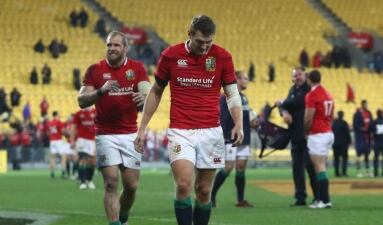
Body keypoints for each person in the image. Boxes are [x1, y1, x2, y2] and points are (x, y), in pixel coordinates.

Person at [134, 15, 244, 225]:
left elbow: (232, 94)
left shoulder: (222, 57)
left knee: (203, 191)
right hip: (180, 131)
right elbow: (156, 92)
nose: (204, 47)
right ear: (190, 34)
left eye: (208, 42)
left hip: (211, 131)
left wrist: (238, 123)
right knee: (184, 185)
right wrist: (143, 128)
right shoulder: (170, 55)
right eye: (200, 42)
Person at [77, 31, 151, 225]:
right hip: (105, 134)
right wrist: (101, 91)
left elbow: (148, 95)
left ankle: (123, 218)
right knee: (110, 183)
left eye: (116, 45)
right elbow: (81, 101)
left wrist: (144, 100)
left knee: (131, 186)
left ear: (125, 48)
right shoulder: (95, 70)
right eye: (109, 45)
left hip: (130, 135)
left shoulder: (137, 68)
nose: (111, 48)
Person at [211, 71, 258, 208]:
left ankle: (240, 200)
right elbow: (224, 119)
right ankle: (211, 195)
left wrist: (253, 122)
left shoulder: (244, 98)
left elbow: (244, 118)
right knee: (228, 167)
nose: (247, 81)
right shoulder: (227, 96)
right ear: (237, 79)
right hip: (231, 138)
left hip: (245, 138)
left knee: (241, 168)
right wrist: (226, 136)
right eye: (245, 78)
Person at [275, 67, 317, 206]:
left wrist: (282, 105)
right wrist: (283, 112)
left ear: (305, 75)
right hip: (294, 135)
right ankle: (300, 197)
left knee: (311, 167)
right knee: (296, 168)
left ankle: (318, 196)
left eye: (299, 75)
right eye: (294, 75)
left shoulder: (309, 89)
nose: (297, 78)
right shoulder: (292, 89)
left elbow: (296, 102)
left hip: (307, 135)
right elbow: (285, 106)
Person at [304, 70, 334, 209]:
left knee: (319, 167)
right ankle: (322, 199)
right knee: (321, 167)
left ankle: (324, 200)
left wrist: (305, 131)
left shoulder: (312, 95)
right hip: (328, 132)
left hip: (317, 134)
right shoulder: (328, 94)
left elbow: (309, 117)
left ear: (309, 80)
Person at [70, 107, 97, 189]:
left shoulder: (95, 112)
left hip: (92, 140)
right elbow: (73, 128)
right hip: (81, 139)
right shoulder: (78, 114)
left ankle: (89, 180)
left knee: (92, 161)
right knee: (82, 159)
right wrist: (72, 141)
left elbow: (99, 126)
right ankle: (82, 181)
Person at [353, 99, 373, 178]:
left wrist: (368, 129)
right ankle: (358, 171)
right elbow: (355, 125)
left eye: (366, 104)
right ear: (362, 105)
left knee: (367, 154)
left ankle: (368, 171)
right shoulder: (357, 114)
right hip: (360, 137)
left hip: (367, 138)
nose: (366, 106)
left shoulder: (369, 113)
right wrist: (361, 129)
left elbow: (371, 124)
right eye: (364, 104)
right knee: (359, 155)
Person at [332, 110, 351, 177]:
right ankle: (344, 172)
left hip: (335, 143)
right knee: (344, 159)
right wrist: (349, 141)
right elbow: (347, 133)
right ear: (343, 115)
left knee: (336, 159)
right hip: (343, 144)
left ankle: (337, 173)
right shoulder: (344, 123)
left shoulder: (334, 123)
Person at [48, 111, 67, 178]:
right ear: (56, 115)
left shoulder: (50, 123)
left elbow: (49, 132)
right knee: (63, 157)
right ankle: (63, 172)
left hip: (52, 141)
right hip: (58, 140)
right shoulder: (59, 122)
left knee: (53, 158)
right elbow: (63, 132)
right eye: (58, 115)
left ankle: (52, 173)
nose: (59, 116)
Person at [370, 109, 383, 177]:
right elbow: (371, 129)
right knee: (376, 158)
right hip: (378, 141)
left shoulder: (374, 121)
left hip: (377, 142)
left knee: (376, 158)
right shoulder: (374, 122)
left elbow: (370, 129)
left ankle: (376, 173)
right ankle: (377, 173)